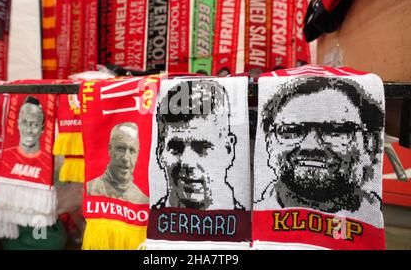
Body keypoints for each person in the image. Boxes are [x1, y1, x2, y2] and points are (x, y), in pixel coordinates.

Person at [255, 77, 384, 215]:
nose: (311, 145)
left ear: (370, 144)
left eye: (336, 130)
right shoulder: (247, 219)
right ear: (268, 142)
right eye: (290, 130)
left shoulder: (373, 214)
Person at [153, 80, 243, 210]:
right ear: (160, 152)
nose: (187, 162)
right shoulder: (143, 223)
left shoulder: (254, 225)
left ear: (228, 149)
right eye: (176, 148)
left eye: (202, 148)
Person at [87, 122, 148, 204]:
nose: (126, 158)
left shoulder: (143, 201)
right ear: (110, 150)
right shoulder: (89, 190)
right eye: (121, 149)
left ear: (137, 155)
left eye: (132, 151)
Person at [0, 96, 52, 184]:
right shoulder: (5, 157)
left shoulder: (46, 163)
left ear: (42, 128)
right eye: (24, 123)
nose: (29, 130)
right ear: (18, 124)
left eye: (35, 125)